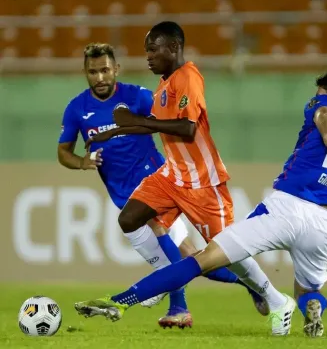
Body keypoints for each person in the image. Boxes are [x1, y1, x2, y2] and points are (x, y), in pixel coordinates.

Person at [74, 29, 327, 338]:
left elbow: (323, 114)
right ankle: (311, 308)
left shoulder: (324, 101)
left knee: (204, 260)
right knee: (308, 291)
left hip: (282, 205)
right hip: (323, 222)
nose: (316, 96)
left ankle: (123, 300)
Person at [78, 23, 292, 335]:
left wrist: (132, 120)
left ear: (174, 48)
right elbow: (155, 124)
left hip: (203, 183)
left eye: (154, 49)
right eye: (146, 50)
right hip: (171, 177)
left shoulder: (189, 77)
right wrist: (116, 130)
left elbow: (187, 127)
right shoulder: (164, 86)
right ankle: (164, 277)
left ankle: (274, 298)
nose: (148, 56)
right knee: (129, 219)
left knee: (229, 253)